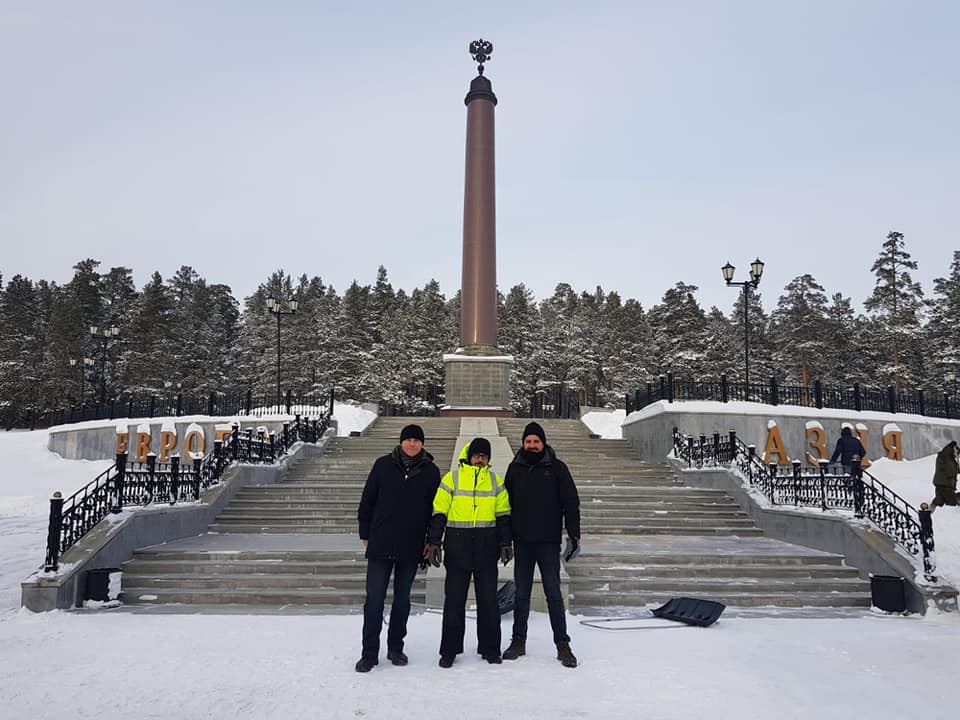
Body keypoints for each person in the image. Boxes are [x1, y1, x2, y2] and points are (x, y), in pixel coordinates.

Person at [355, 423, 441, 673]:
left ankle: (395, 648)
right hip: (381, 542)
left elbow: (435, 510)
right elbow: (368, 499)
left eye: (417, 440)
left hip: (411, 545)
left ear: (422, 443)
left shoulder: (431, 471)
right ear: (401, 442)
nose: (412, 444)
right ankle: (369, 653)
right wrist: (365, 532)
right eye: (408, 439)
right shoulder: (383, 465)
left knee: (402, 600)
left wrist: (431, 541)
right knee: (374, 600)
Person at [427, 437, 512, 668]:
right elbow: (439, 511)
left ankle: (490, 649)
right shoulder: (451, 478)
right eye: (477, 455)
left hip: (486, 548)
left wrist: (506, 543)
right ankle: (449, 650)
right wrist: (434, 541)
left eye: (484, 456)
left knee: (488, 602)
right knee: (454, 602)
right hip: (458, 548)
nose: (480, 459)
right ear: (469, 456)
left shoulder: (495, 481)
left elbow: (503, 515)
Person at [502, 422, 581, 668]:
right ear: (523, 443)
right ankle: (518, 640)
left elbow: (571, 502)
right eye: (528, 441)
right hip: (523, 542)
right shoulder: (514, 468)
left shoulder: (557, 468)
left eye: (536, 441)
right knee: (522, 594)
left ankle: (562, 644)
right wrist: (505, 540)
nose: (532, 445)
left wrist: (574, 536)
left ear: (543, 443)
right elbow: (505, 506)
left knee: (553, 594)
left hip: (548, 541)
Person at [930, 440, 959, 511]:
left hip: (947, 485)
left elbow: (956, 470)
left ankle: (928, 511)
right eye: (957, 453)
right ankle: (928, 511)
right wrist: (951, 446)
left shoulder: (952, 460)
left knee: (939, 501)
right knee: (952, 502)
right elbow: (945, 452)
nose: (957, 455)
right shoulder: (943, 457)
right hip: (944, 484)